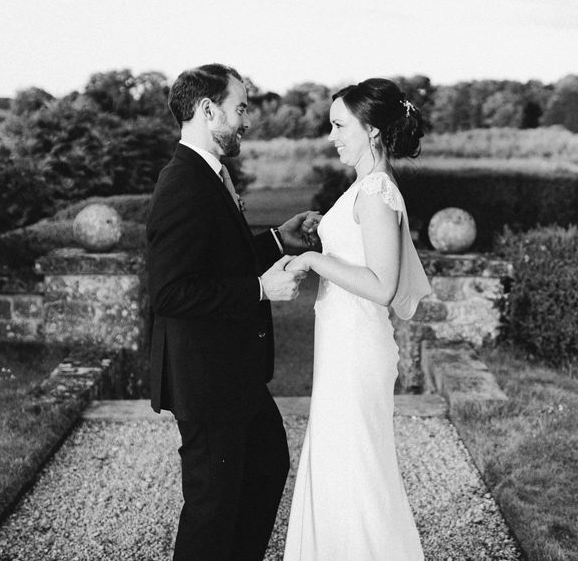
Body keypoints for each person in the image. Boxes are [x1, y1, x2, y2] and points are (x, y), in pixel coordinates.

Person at [147, 63, 320, 561]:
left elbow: (216, 253)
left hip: (233, 373)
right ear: (208, 109)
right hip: (205, 377)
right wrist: (259, 290)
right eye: (239, 108)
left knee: (266, 468)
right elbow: (171, 292)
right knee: (212, 508)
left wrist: (273, 239)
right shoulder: (183, 182)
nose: (246, 121)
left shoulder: (209, 174)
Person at [282, 78, 432, 560]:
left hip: (356, 347)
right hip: (342, 343)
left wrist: (313, 262)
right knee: (341, 462)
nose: (332, 135)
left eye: (339, 125)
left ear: (371, 130)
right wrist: (320, 238)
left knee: (355, 468)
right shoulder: (367, 188)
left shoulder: (375, 190)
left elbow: (382, 285)